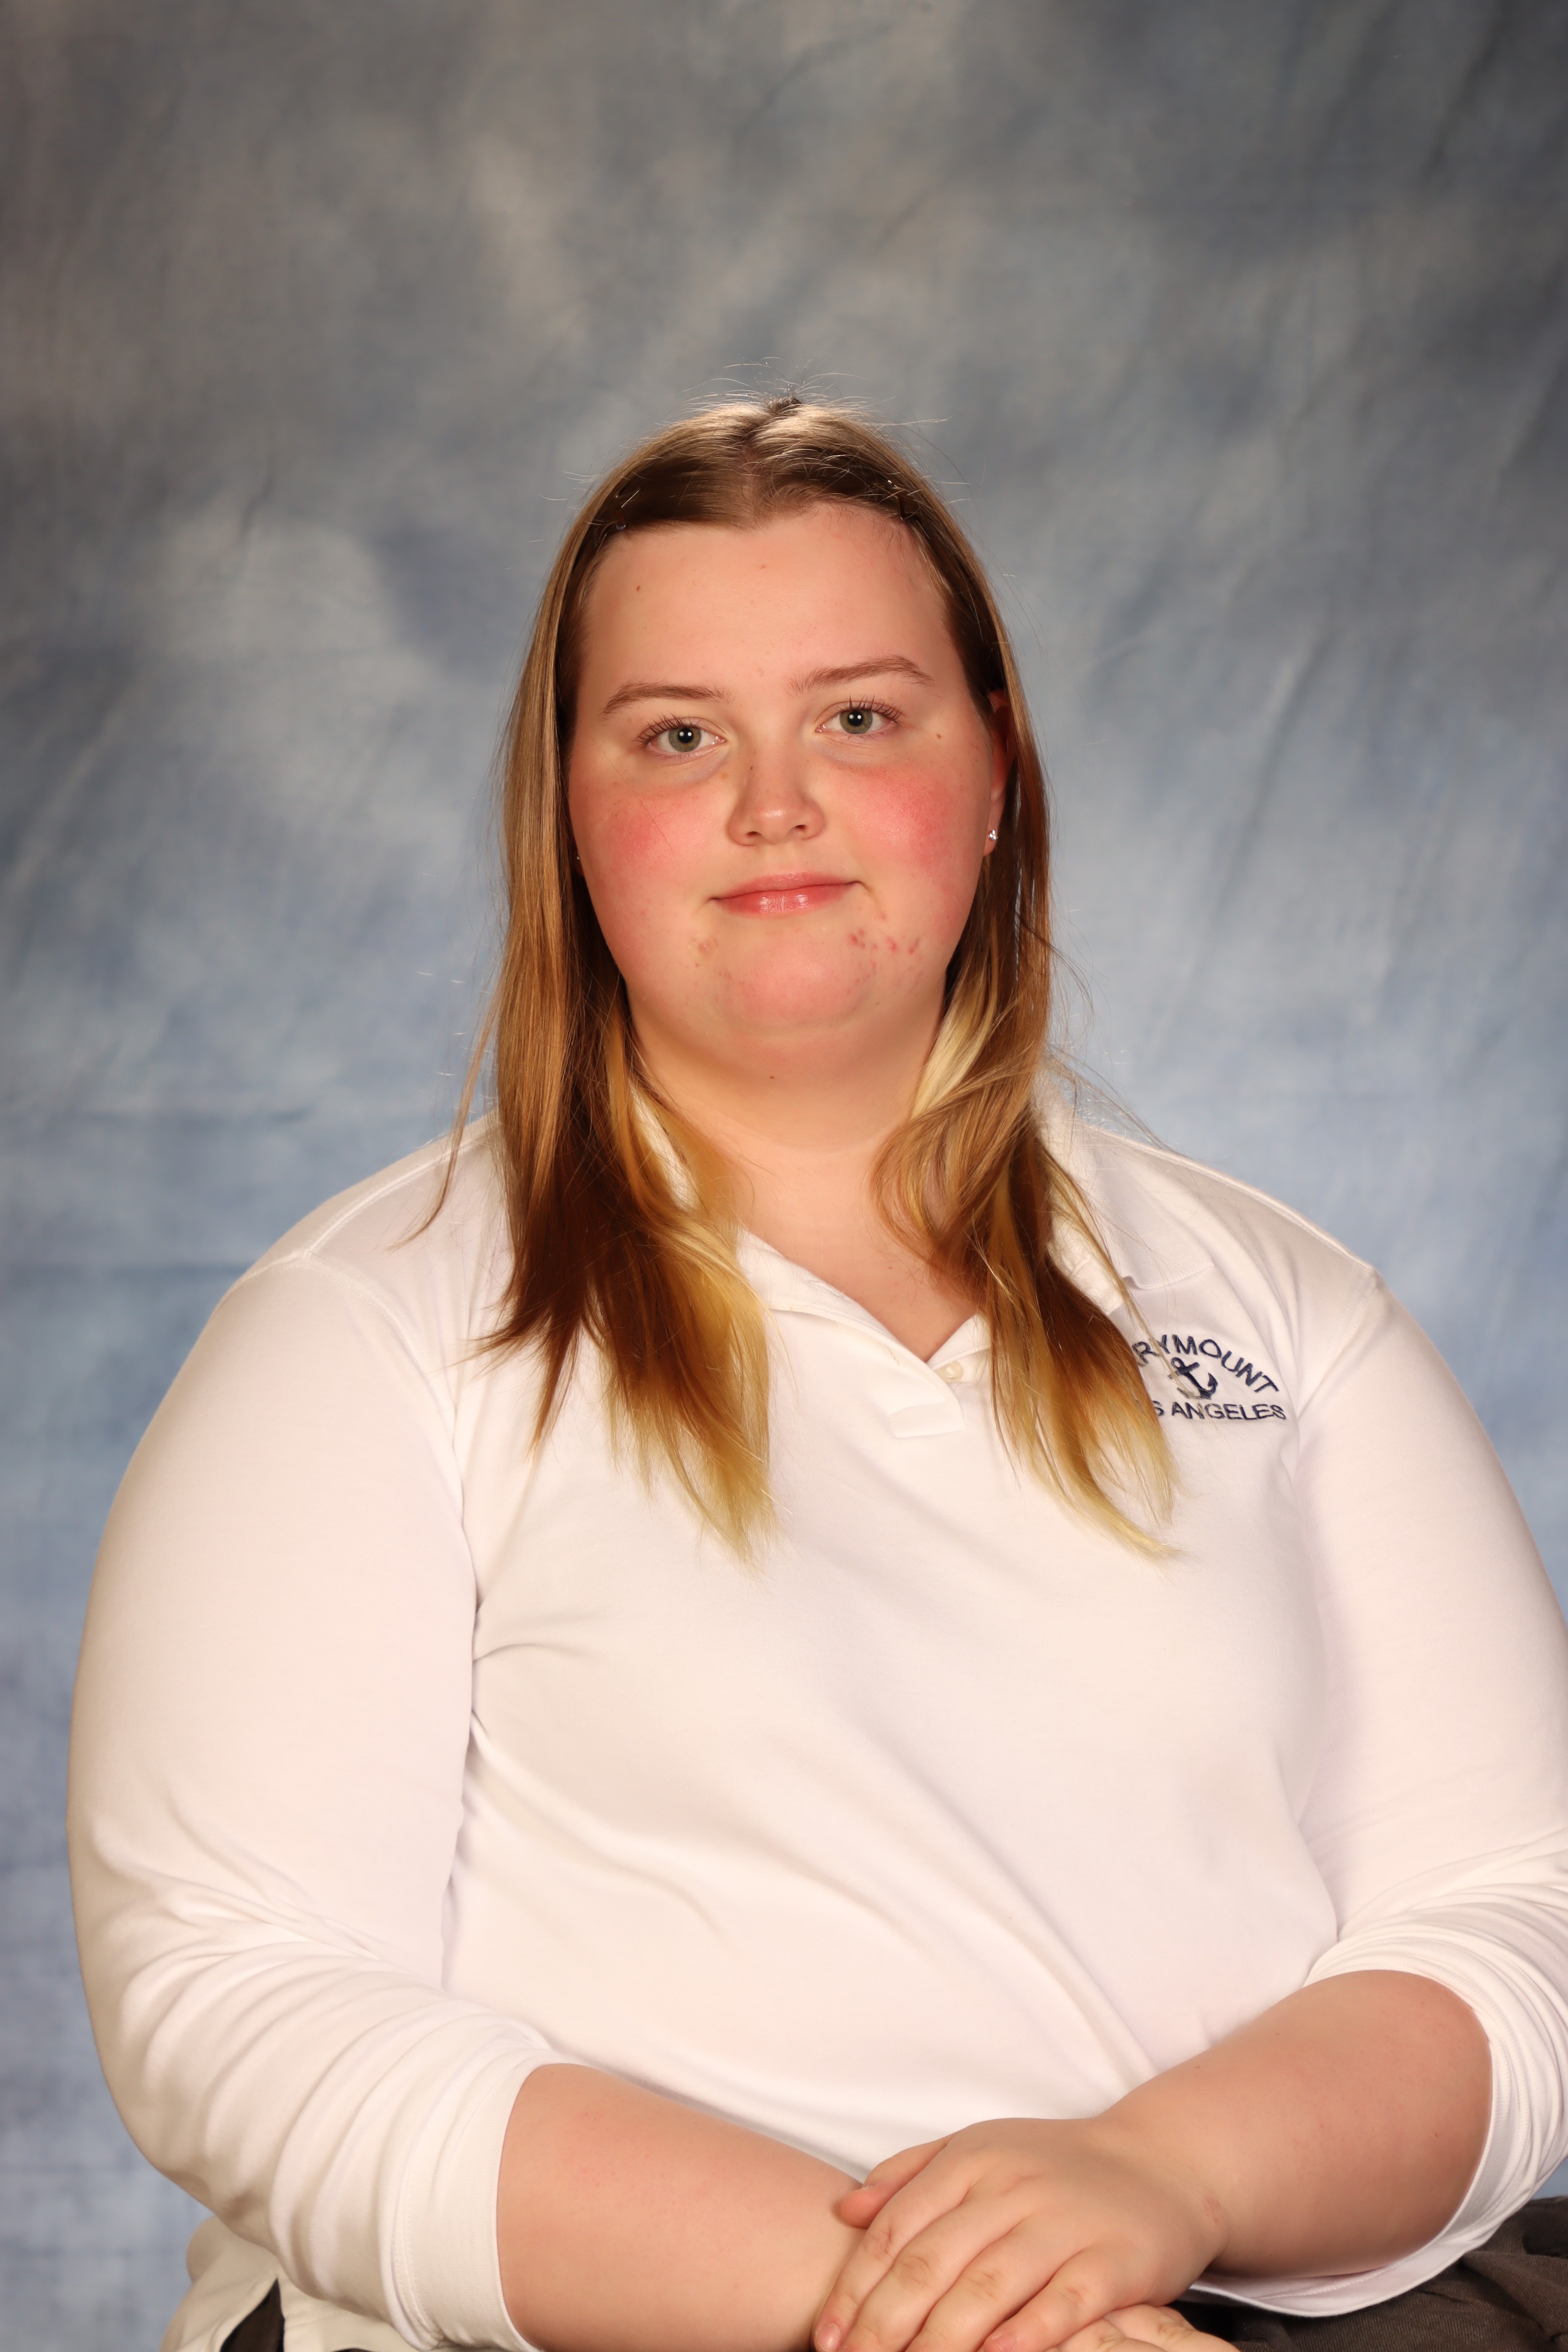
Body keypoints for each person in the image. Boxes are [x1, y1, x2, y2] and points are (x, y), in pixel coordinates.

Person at [68, 396, 1568, 2352]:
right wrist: (973, 2314)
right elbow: (240, 2003)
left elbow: (1514, 1923)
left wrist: (1156, 2184)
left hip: (1234, 2295)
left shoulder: (1288, 1314)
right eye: (678, 736)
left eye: (858, 717)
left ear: (996, 771)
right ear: (566, 813)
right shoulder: (361, 1331)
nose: (775, 805)